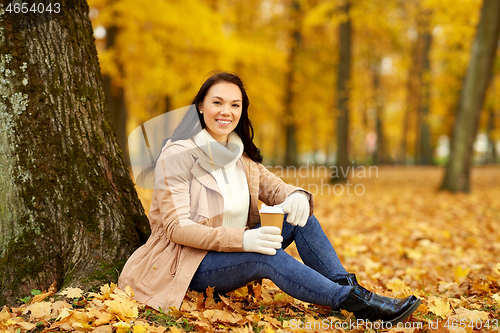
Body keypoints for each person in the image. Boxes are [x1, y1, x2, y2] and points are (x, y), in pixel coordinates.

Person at [118, 71, 421, 325]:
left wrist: (296, 196)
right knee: (268, 256)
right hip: (187, 262)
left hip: (236, 248)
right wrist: (243, 240)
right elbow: (177, 228)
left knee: (300, 218)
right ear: (200, 106)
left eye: (235, 105)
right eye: (218, 103)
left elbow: (277, 189)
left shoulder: (240, 155)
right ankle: (354, 305)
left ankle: (351, 290)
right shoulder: (178, 155)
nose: (227, 111)